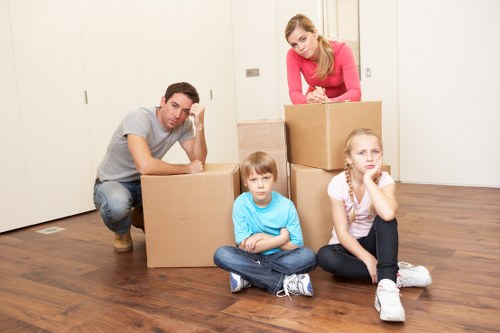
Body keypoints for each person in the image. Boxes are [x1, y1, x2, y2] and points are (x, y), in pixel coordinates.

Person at [316, 128, 432, 322]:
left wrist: (370, 180)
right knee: (324, 256)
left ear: (381, 154)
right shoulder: (337, 184)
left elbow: (387, 213)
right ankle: (395, 274)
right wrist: (368, 259)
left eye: (375, 151)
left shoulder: (385, 180)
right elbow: (342, 233)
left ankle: (387, 288)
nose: (369, 158)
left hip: (374, 244)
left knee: (385, 219)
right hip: (348, 248)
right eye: (361, 153)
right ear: (349, 158)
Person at [93, 82, 207, 253]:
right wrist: (185, 168)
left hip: (145, 182)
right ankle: (122, 230)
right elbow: (145, 166)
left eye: (185, 111)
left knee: (178, 208)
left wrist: (199, 125)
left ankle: (139, 213)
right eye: (174, 106)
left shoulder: (184, 124)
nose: (177, 115)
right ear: (163, 101)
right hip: (113, 182)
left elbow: (198, 161)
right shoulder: (138, 117)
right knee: (117, 205)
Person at [213, 151, 317, 298]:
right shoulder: (241, 203)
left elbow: (296, 246)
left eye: (266, 178)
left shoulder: (286, 206)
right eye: (253, 180)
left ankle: (248, 276)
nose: (260, 185)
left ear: (275, 178)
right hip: (252, 258)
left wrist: (261, 236)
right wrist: (280, 239)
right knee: (222, 254)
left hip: (282, 258)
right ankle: (285, 281)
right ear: (245, 182)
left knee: (309, 255)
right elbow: (246, 248)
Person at [284, 13, 361, 104]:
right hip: (314, 104)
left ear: (315, 33)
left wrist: (328, 102)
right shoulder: (293, 55)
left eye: (303, 39)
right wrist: (309, 101)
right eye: (294, 45)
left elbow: (355, 92)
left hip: (342, 103)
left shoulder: (342, 50)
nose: (300, 48)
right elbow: (294, 93)